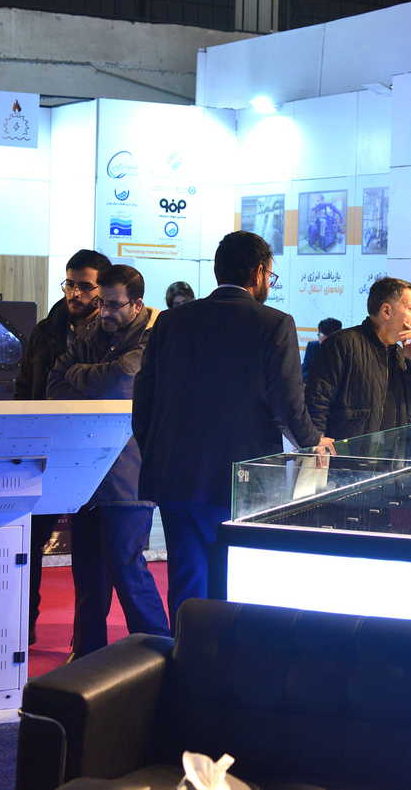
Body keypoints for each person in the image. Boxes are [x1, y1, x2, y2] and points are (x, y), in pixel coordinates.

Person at [133, 231, 332, 627]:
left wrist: (156, 450)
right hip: (240, 479)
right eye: (270, 275)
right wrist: (313, 441)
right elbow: (287, 404)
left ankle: (187, 655)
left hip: (174, 474)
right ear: (258, 273)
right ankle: (226, 659)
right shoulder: (274, 323)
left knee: (188, 580)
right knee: (236, 580)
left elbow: (144, 401)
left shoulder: (171, 321)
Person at [48, 264, 169, 656]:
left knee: (125, 566)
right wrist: (90, 379)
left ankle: (157, 654)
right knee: (87, 575)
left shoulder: (154, 337)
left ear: (137, 305)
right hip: (85, 474)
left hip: (129, 473)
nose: (103, 312)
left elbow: (121, 382)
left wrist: (78, 376)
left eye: (114, 305)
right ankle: (86, 658)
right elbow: (54, 385)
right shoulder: (92, 332)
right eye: (101, 302)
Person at [14, 248, 111, 645]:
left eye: (84, 286)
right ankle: (22, 626)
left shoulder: (114, 332)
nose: (74, 293)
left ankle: (87, 643)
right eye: (69, 284)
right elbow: (24, 388)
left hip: (92, 454)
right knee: (26, 544)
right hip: (44, 452)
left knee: (90, 553)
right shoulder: (47, 330)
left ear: (102, 289)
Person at [305, 277, 411, 440]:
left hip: (394, 454)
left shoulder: (399, 353)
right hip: (346, 454)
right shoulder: (342, 344)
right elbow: (316, 402)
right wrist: (317, 441)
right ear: (386, 311)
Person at [301, 317, 341, 383]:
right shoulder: (312, 347)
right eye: (323, 344)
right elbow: (302, 374)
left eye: (330, 343)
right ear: (318, 335)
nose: (326, 347)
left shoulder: (346, 350)